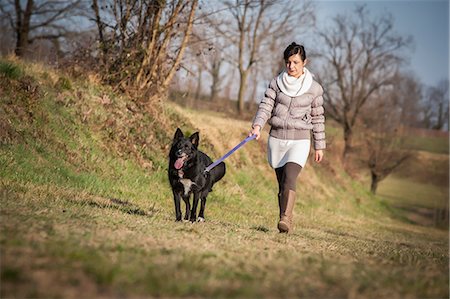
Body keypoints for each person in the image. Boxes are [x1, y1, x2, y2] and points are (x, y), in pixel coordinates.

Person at [249, 42, 326, 233]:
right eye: (288, 62)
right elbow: (266, 105)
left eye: (295, 62)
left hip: (300, 140)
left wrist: (319, 145)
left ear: (304, 63)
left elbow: (318, 118)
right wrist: (257, 125)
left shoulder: (314, 89)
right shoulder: (276, 83)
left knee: (290, 178)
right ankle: (285, 217)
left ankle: (285, 219)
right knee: (282, 183)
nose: (291, 66)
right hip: (276, 138)